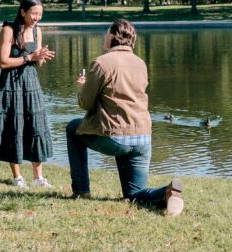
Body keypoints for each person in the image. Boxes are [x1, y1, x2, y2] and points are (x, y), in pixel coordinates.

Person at [66, 19, 184, 216]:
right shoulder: (140, 63)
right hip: (142, 136)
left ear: (113, 36)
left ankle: (81, 191)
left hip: (115, 137)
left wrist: (81, 88)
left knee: (72, 128)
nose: (104, 37)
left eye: (106, 33)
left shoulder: (101, 62)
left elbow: (86, 103)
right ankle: (168, 193)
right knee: (133, 194)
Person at [0, 0, 56, 187]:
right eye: (33, 13)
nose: (36, 17)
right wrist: (29, 57)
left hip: (31, 83)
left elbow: (37, 63)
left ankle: (38, 177)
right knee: (13, 126)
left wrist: (41, 56)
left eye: (40, 14)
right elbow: (2, 62)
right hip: (11, 84)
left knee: (36, 125)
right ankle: (18, 177)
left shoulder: (37, 31)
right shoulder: (8, 30)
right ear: (23, 12)